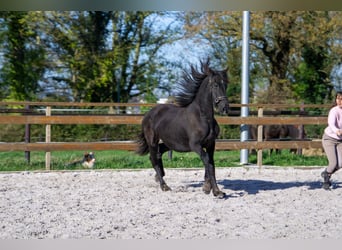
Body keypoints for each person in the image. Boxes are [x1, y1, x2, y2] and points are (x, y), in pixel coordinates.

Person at [321, 91, 342, 190]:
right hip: (329, 138)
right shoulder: (334, 110)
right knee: (333, 163)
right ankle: (326, 180)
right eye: (338, 99)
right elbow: (331, 123)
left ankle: (326, 173)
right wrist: (336, 131)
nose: (339, 101)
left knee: (341, 163)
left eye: (341, 99)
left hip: (340, 140)